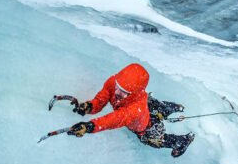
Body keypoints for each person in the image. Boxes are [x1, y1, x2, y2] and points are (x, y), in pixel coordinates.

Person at [67, 63, 195, 158]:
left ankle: (182, 140)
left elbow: (116, 119)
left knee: (153, 140)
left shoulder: (134, 108)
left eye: (124, 92)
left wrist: (90, 126)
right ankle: (171, 107)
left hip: (145, 125)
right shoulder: (113, 82)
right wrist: (89, 106)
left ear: (134, 93)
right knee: (154, 105)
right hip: (145, 104)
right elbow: (101, 99)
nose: (117, 92)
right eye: (118, 87)